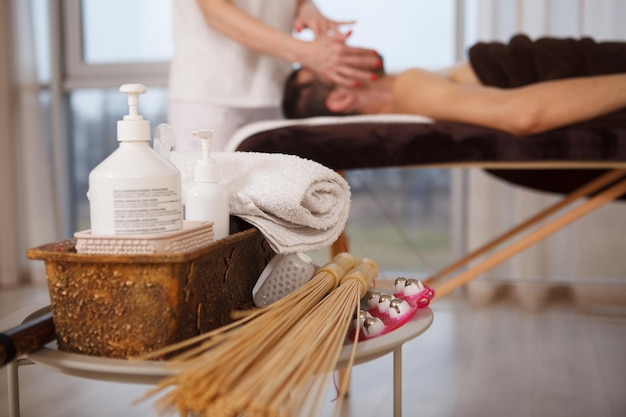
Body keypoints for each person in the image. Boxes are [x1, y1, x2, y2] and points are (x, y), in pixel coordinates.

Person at [282, 35, 626, 136]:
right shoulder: (409, 88)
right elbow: (524, 114)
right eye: (324, 61)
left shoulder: (414, 89)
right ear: (341, 97)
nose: (338, 47)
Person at [169, 0, 382, 151]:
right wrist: (306, 52)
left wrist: (306, 8)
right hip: (210, 90)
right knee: (207, 202)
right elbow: (214, 10)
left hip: (274, 89)